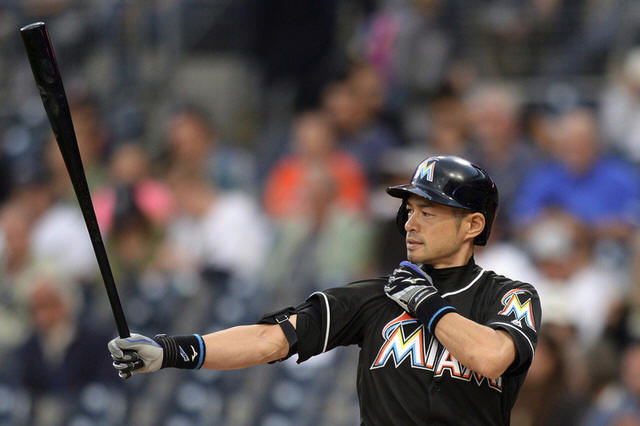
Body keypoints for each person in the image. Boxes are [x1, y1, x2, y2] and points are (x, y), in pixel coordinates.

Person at [108, 155, 541, 425]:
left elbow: (490, 358)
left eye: (428, 212)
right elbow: (269, 340)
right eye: (409, 210)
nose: (410, 223)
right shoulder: (376, 298)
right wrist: (169, 351)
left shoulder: (510, 296)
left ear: (473, 224)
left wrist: (425, 302)